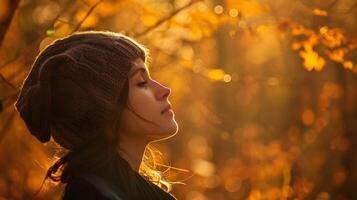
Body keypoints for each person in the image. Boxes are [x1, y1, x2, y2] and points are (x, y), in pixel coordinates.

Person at [14, 30, 179, 199]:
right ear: (105, 110)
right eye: (141, 83)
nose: (164, 90)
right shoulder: (91, 195)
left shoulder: (137, 192)